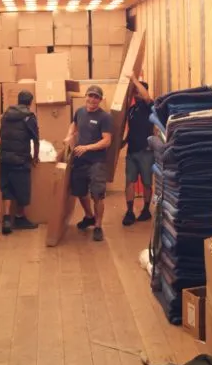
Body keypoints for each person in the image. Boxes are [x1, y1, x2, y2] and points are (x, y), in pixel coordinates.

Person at [65, 85, 113, 242]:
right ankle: (89, 216)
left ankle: (98, 225)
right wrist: (69, 135)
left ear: (100, 100)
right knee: (79, 191)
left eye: (96, 97)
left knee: (98, 195)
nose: (92, 99)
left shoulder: (104, 117)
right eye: (90, 96)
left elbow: (107, 141)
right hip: (80, 160)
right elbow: (74, 124)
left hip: (96, 162)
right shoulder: (79, 112)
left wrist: (86, 147)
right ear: (86, 96)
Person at [0, 90, 40, 235]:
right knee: (22, 189)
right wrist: (35, 157)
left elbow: (0, 134)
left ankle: (7, 219)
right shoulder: (29, 118)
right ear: (30, 102)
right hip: (20, 160)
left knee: (7, 189)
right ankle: (20, 218)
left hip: (4, 159)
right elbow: (35, 139)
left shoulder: (6, 115)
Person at [122, 74, 155, 226]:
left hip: (146, 151)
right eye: (135, 91)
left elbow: (147, 97)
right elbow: (131, 130)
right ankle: (129, 211)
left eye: (138, 91)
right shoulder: (132, 110)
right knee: (129, 182)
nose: (137, 94)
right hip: (132, 151)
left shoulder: (150, 107)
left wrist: (134, 80)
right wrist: (122, 143)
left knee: (147, 183)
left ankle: (146, 210)